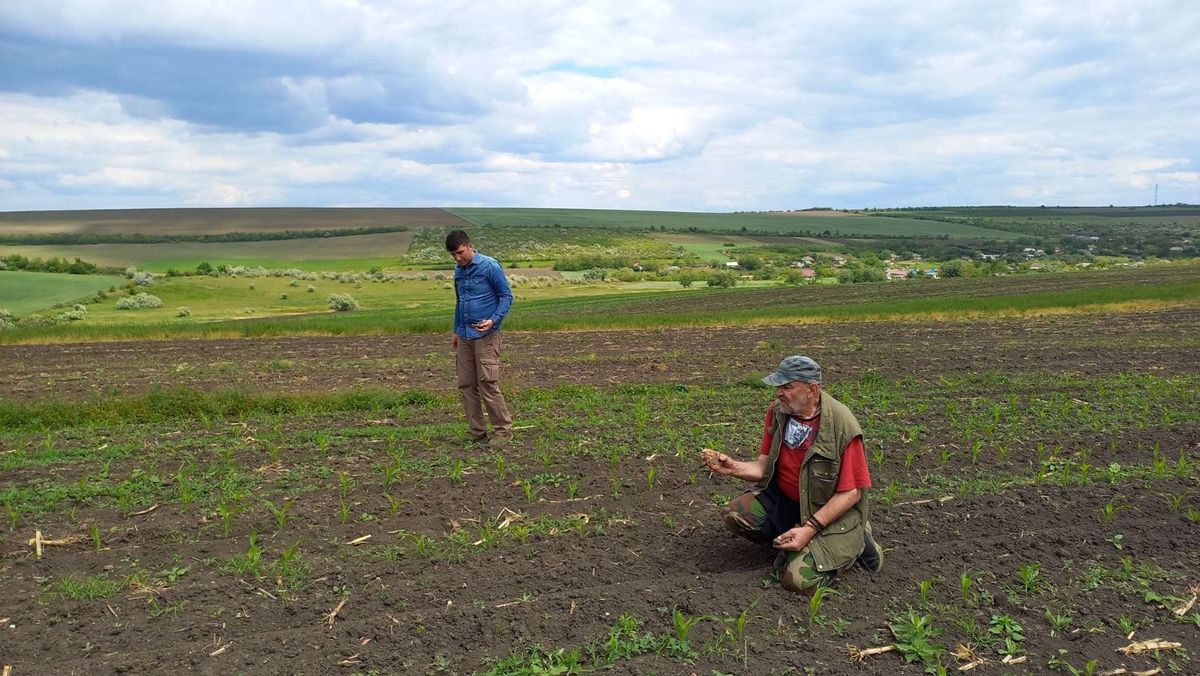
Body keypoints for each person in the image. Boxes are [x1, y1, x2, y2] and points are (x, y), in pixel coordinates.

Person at [704, 355, 882, 595]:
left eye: (787, 387)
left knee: (796, 582)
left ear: (812, 390)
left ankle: (857, 543)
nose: (778, 393)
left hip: (828, 512)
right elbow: (764, 466)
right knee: (737, 514)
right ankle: (795, 540)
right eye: (778, 386)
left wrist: (809, 529)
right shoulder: (779, 412)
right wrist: (732, 467)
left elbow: (851, 493)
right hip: (790, 503)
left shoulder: (841, 426)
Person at [446, 230, 514, 446]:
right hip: (465, 334)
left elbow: (506, 296)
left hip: (486, 334)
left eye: (460, 252)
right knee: (466, 384)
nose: (457, 258)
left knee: (487, 382)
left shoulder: (490, 266)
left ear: (470, 246)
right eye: (453, 255)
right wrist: (456, 330)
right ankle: (477, 431)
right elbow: (460, 301)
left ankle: (503, 431)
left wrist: (493, 320)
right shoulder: (459, 270)